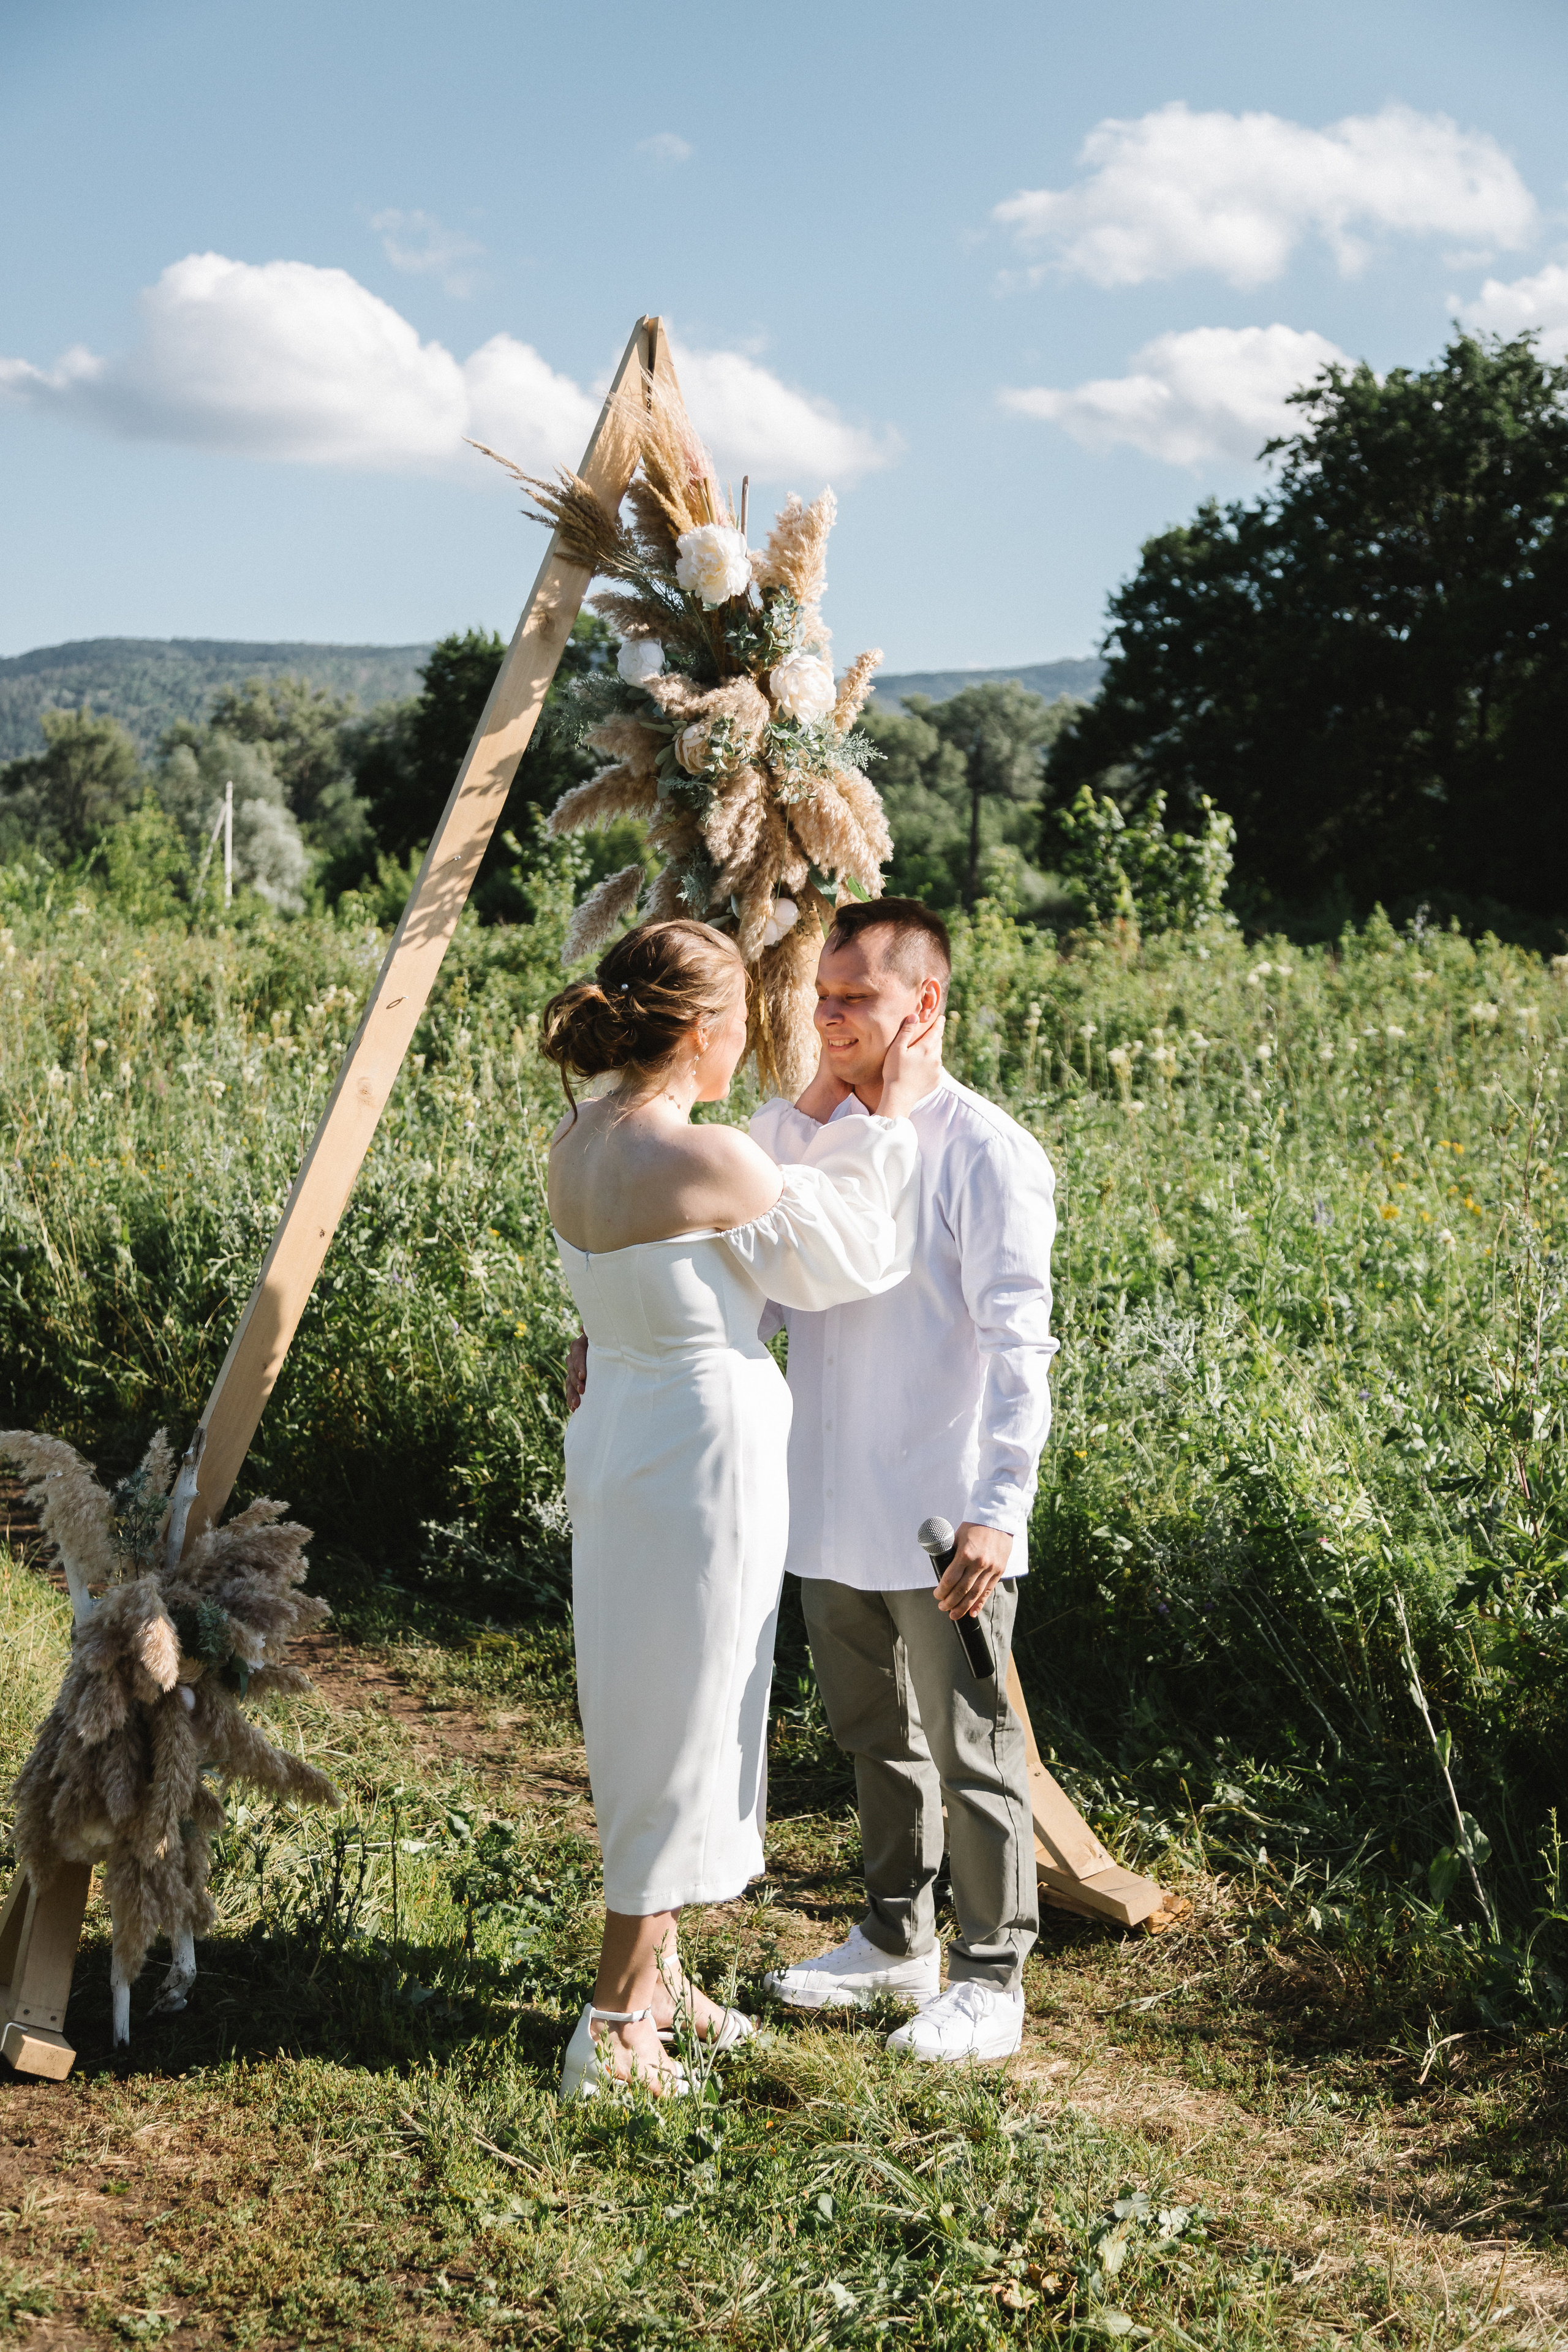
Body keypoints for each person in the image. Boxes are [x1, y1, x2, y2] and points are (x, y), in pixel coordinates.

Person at [546, 917, 941, 2100]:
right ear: (706, 1032)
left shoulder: (577, 1139)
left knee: (645, 1696)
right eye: (751, 1029)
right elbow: (852, 1253)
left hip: (617, 1437)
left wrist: (826, 1094)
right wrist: (882, 1113)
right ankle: (614, 2019)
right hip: (699, 1458)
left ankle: (662, 1979)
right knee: (688, 1712)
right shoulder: (706, 1157)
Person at [756, 899, 1058, 2064]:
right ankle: (897, 1940)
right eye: (820, 999)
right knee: (869, 1730)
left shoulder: (987, 1153)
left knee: (973, 1742)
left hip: (944, 1513)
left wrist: (1000, 1509)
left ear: (922, 1005)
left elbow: (1020, 1342)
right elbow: (765, 1271)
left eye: (854, 1002)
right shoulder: (813, 1134)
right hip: (828, 1495)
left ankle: (993, 1979)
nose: (826, 1018)